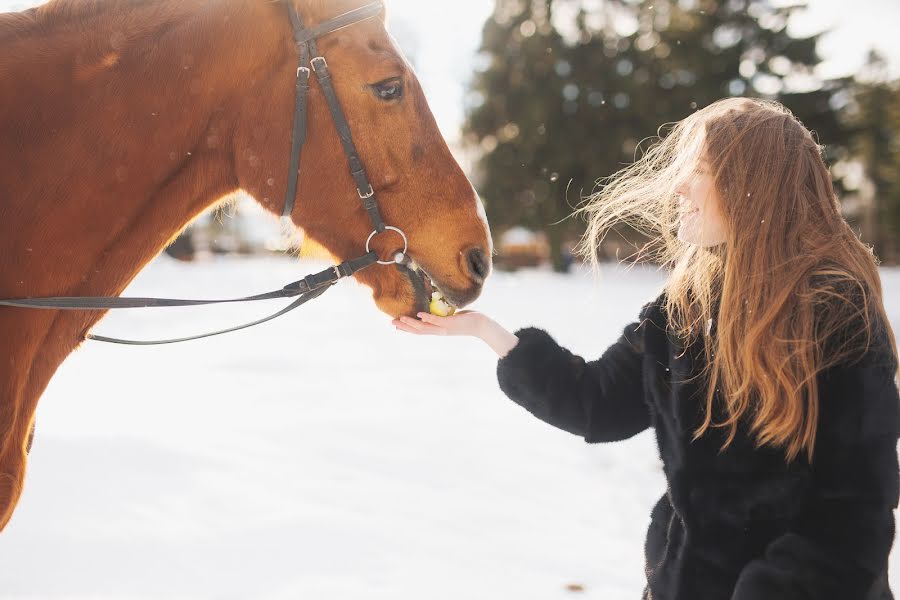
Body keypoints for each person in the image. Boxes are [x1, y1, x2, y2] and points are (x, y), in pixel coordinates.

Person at [392, 97, 900, 599]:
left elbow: (853, 519)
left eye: (698, 169)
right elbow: (596, 402)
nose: (678, 185)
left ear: (753, 187)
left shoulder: (835, 314)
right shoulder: (683, 310)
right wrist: (490, 333)